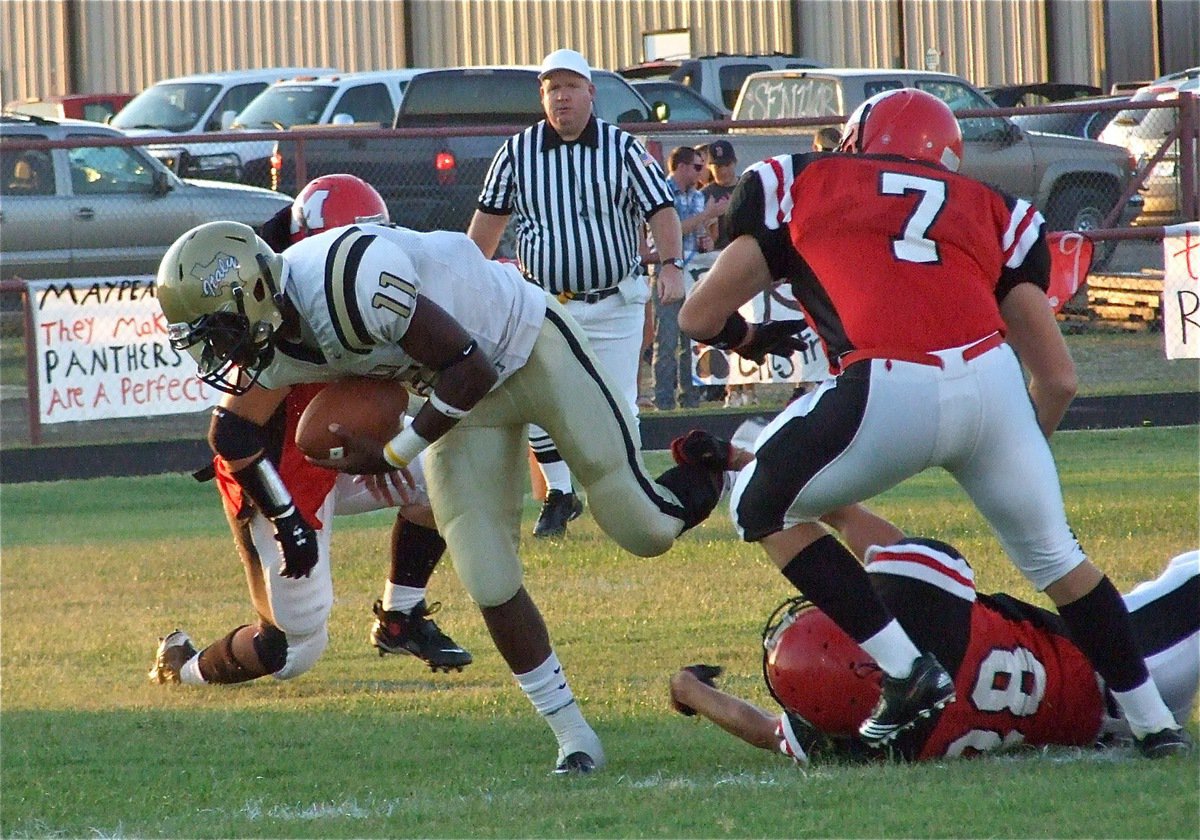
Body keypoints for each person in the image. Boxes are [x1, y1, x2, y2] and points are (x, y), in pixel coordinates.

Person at [676, 88, 1189, 756]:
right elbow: (1059, 376)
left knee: (757, 503)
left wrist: (747, 339)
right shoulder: (997, 212)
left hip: (888, 383)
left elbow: (696, 316)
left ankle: (905, 667)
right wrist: (1019, 448)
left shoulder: (800, 180)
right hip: (993, 382)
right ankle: (1156, 725)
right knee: (1058, 560)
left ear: (861, 139)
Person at [153, 212, 731, 774]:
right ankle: (574, 737)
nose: (220, 352)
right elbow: (228, 430)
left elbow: (469, 367)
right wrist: (286, 519)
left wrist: (396, 453)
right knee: (487, 573)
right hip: (455, 405)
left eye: (220, 331)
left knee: (645, 528)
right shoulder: (273, 333)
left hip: (526, 345)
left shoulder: (348, 281)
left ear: (255, 291)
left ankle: (712, 464)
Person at [148, 175, 473, 688]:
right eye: (339, 248)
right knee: (293, 647)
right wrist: (286, 520)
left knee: (450, 476)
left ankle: (400, 618)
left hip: (342, 447)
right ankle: (183, 666)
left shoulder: (370, 281)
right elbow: (233, 432)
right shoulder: (264, 302)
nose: (350, 261)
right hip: (275, 472)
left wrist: (384, 439)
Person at [669, 509, 1199, 764]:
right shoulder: (926, 619)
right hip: (1122, 662)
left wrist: (693, 692)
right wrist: (828, 506)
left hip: (1103, 732)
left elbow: (763, 730)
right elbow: (888, 550)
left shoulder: (858, 741)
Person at [467, 48, 688, 538]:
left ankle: (629, 495)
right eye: (551, 88)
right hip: (542, 302)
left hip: (612, 301)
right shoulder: (517, 153)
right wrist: (465, 282)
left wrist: (671, 265)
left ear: (591, 92)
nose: (561, 97)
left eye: (569, 86)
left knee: (619, 404)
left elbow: (662, 209)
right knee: (542, 400)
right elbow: (486, 226)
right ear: (541, 97)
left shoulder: (623, 148)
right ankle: (560, 494)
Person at [652, 146, 724, 411]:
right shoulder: (662, 192)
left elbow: (695, 232)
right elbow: (671, 231)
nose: (701, 172)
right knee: (667, 339)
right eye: (696, 167)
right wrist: (706, 216)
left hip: (693, 272)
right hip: (668, 271)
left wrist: (706, 238)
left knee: (689, 339)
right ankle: (664, 401)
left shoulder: (696, 196)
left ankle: (689, 398)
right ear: (680, 167)